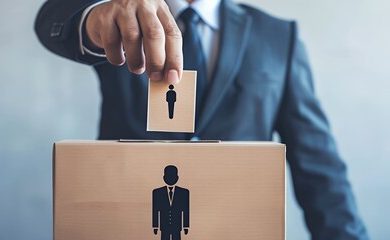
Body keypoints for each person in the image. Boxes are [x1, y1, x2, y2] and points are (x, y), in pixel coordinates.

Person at [35, 0, 369, 238]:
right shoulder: (124, 13)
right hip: (126, 228)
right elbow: (52, 19)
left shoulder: (278, 37)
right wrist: (96, 16)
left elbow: (319, 169)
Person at [153, 165, 189, 240]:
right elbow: (155, 210)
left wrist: (186, 226)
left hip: (177, 226)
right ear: (164, 178)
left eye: (172, 176)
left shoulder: (184, 192)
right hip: (164, 226)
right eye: (168, 176)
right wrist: (155, 226)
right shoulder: (157, 192)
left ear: (177, 178)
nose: (170, 178)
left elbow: (186, 210)